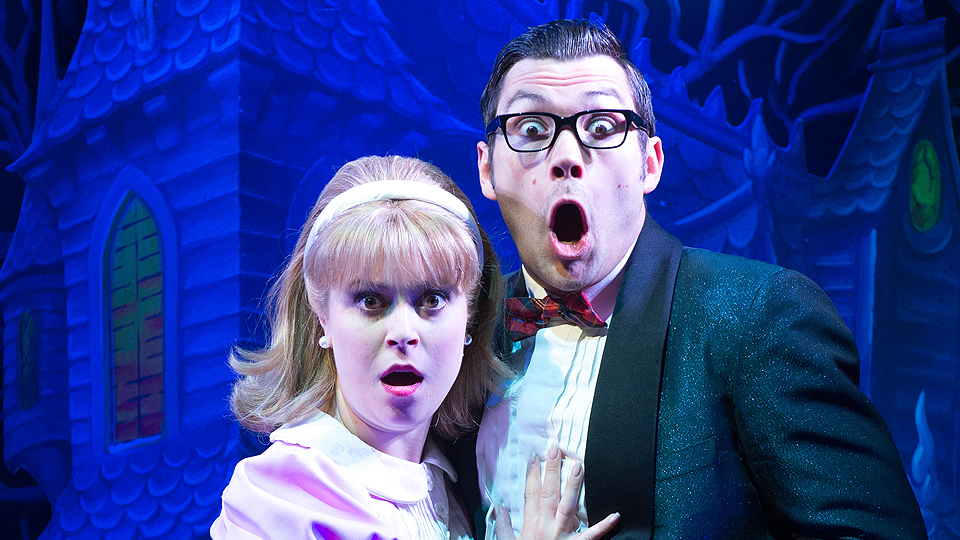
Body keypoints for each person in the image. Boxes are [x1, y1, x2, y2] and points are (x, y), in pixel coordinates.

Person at [465, 19, 928, 539]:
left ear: (650, 163)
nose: (568, 157)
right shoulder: (461, 330)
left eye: (602, 126)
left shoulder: (761, 316)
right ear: (487, 169)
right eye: (531, 129)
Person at [211, 155, 619, 539]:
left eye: (432, 299)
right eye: (371, 300)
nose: (403, 333)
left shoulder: (454, 481)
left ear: (470, 317)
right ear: (322, 315)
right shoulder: (279, 494)